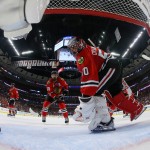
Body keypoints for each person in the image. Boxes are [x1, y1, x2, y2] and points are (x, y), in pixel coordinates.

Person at [67, 37, 146, 132]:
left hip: (110, 66)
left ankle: (105, 121)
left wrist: (84, 103)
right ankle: (137, 109)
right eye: (72, 48)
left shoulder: (83, 55)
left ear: (81, 44)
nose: (74, 49)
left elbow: (90, 78)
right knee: (115, 95)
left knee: (95, 91)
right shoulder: (86, 50)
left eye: (75, 47)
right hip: (113, 65)